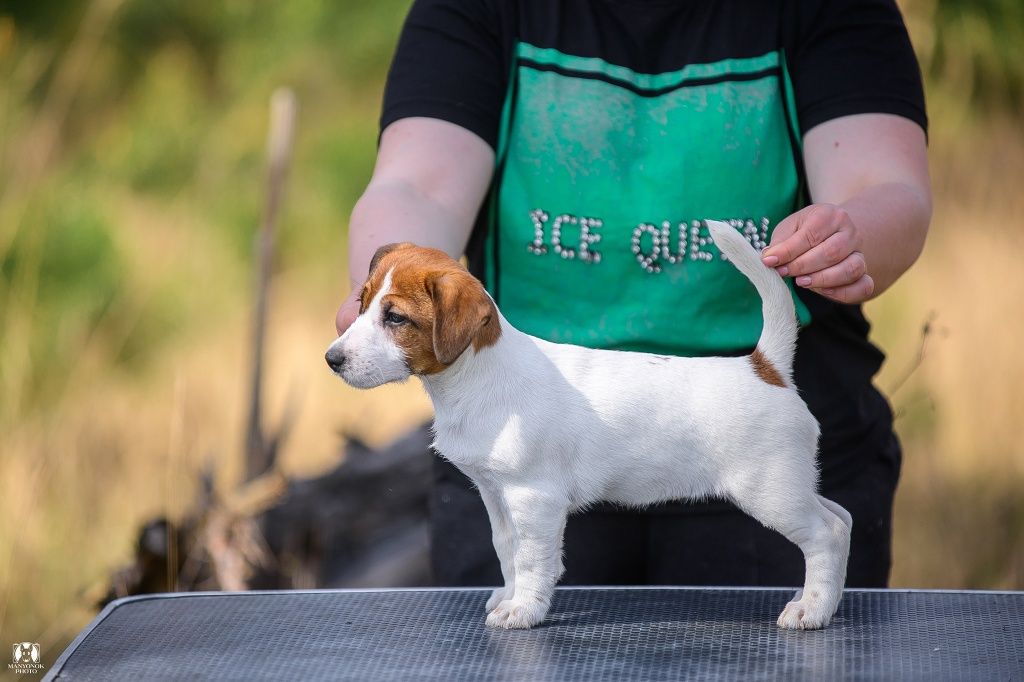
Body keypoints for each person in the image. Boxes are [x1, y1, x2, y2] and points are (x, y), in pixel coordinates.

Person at [335, 0, 931, 588]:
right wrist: (382, 296)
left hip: (741, 410)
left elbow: (884, 185)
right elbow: (418, 184)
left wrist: (853, 233)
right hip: (524, 416)